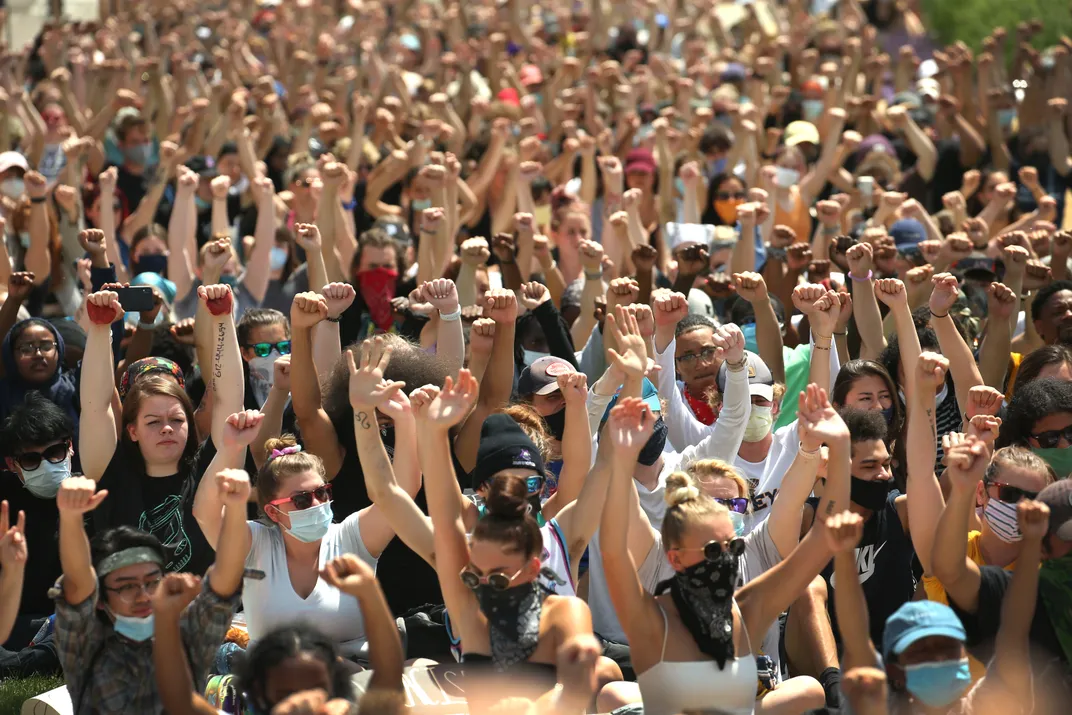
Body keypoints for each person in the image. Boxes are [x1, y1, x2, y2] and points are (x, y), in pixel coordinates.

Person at [600, 385, 849, 715]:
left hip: (751, 705)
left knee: (806, 690)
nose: (727, 511)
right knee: (613, 694)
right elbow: (623, 522)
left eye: (736, 503)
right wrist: (622, 456)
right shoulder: (659, 556)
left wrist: (818, 447)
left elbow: (799, 510)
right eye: (714, 502)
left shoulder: (754, 564)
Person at [80, 286, 242, 575]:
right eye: (153, 422)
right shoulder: (112, 472)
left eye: (177, 420)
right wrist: (100, 327)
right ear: (132, 430)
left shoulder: (211, 468)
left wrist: (223, 319)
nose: (167, 428)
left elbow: (228, 398)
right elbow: (95, 406)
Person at [52, 472, 246, 713]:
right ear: (100, 600)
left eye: (152, 582)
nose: (144, 595)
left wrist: (237, 507)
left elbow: (226, 580)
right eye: (126, 587)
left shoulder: (187, 633)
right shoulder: (88, 643)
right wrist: (71, 517)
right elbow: (79, 583)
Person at [0, 394, 73, 652]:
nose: (47, 465)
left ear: (70, 447)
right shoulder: (4, 501)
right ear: (12, 464)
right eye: (32, 460)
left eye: (55, 453)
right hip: (15, 620)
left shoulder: (91, 493)